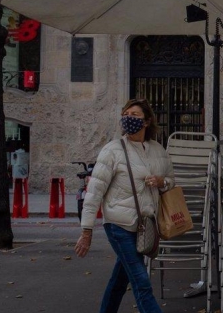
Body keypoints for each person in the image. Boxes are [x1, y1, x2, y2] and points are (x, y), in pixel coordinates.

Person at [75, 98, 175, 313]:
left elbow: (171, 180)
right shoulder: (112, 151)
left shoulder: (158, 150)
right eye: (126, 114)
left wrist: (161, 181)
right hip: (119, 225)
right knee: (142, 282)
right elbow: (94, 192)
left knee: (120, 280)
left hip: (144, 226)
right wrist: (86, 230)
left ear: (147, 121)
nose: (129, 119)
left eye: (135, 115)